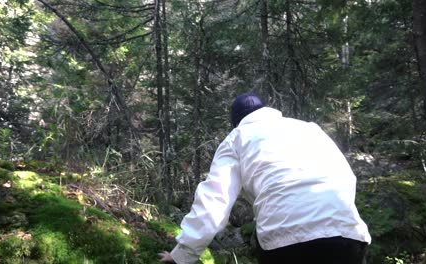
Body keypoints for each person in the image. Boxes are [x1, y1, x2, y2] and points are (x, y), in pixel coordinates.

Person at [159, 92, 371, 264]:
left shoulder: (237, 139)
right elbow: (346, 176)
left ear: (236, 122)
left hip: (286, 242)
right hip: (347, 236)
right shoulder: (309, 129)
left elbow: (215, 200)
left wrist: (182, 255)